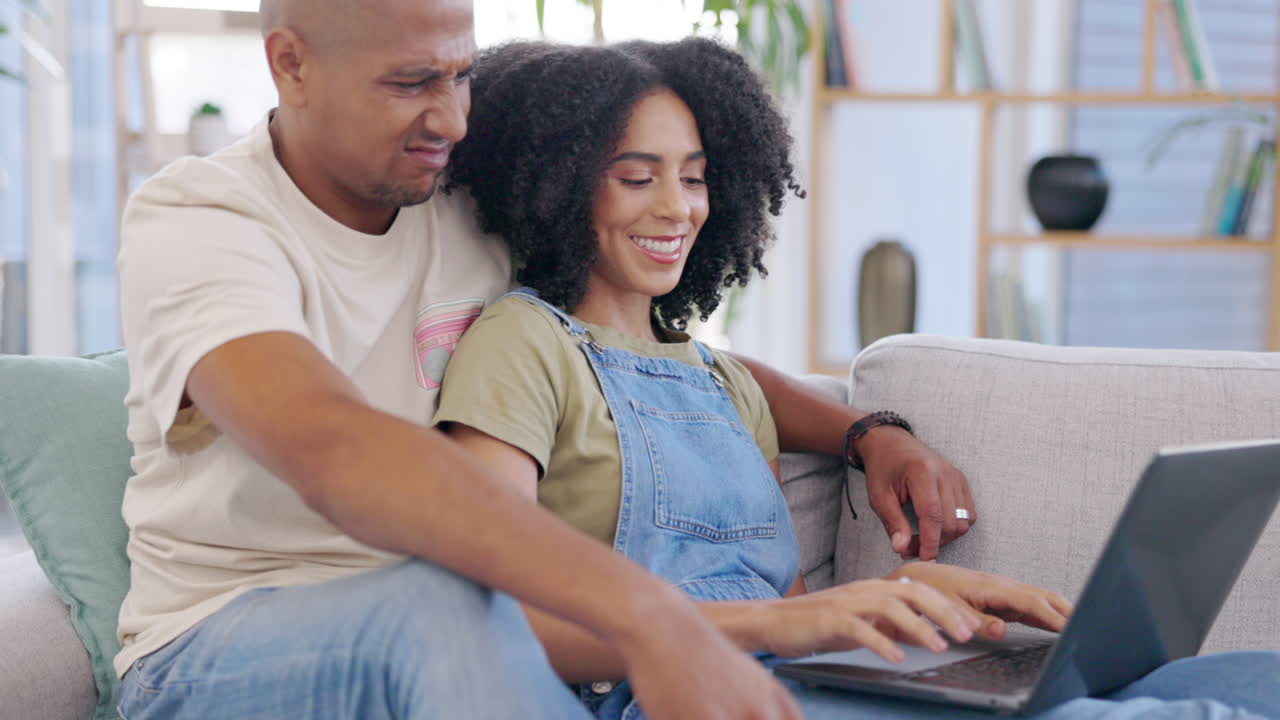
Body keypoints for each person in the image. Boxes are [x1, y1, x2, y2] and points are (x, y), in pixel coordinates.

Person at [110, 1, 975, 719]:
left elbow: (647, 360)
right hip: (218, 647)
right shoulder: (202, 219)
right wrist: (656, 619)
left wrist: (868, 431)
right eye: (412, 82)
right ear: (290, 64)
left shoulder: (456, 206)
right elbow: (330, 445)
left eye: (461, 76)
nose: (451, 119)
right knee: (449, 606)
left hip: (461, 634)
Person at [434, 37, 1280, 720]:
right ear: (550, 188)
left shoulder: (721, 384)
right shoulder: (523, 345)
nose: (678, 208)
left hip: (798, 680)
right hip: (673, 693)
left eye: (694, 178)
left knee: (1254, 680)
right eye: (636, 177)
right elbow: (488, 622)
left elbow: (789, 604)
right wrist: (796, 622)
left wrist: (911, 596)